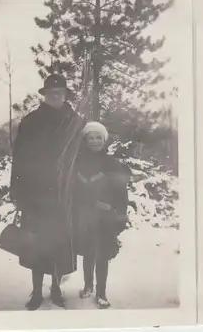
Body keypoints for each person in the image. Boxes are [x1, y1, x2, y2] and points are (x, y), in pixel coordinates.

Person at [10, 74, 85, 310]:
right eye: (51, 92)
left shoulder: (76, 123)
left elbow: (83, 159)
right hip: (36, 193)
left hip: (65, 194)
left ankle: (55, 289)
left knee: (60, 242)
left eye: (60, 92)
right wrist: (18, 191)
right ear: (44, 94)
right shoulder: (31, 122)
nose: (56, 95)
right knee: (36, 243)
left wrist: (85, 189)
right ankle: (36, 291)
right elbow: (19, 159)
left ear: (65, 94)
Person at [72, 121, 129, 309]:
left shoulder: (112, 163)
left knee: (102, 254)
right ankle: (88, 285)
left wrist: (119, 213)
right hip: (84, 216)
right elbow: (73, 189)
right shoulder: (77, 161)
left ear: (104, 140)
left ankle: (101, 293)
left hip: (105, 216)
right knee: (87, 252)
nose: (95, 141)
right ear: (85, 140)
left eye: (98, 138)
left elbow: (121, 191)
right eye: (91, 138)